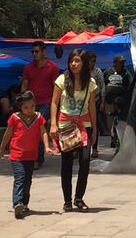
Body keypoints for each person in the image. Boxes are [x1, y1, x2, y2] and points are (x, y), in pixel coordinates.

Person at [50, 48, 97, 213]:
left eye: (77, 61)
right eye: (72, 60)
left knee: (85, 161)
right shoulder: (62, 80)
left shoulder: (90, 83)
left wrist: (95, 128)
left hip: (85, 126)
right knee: (67, 164)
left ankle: (79, 198)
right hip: (65, 126)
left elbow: (92, 106)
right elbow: (54, 102)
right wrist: (53, 124)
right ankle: (67, 200)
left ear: (84, 63)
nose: (74, 64)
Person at [0, 90, 53, 219]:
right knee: (20, 178)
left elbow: (43, 133)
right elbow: (8, 134)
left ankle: (24, 203)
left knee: (28, 180)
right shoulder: (14, 118)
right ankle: (17, 203)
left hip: (31, 155)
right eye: (26, 107)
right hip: (17, 154)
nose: (30, 110)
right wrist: (2, 148)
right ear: (20, 107)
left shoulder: (39, 117)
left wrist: (46, 147)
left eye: (32, 106)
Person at [22, 41, 60, 168]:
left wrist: (56, 102)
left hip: (46, 103)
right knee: (30, 129)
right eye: (32, 52)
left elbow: (56, 86)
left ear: (44, 52)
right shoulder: (28, 68)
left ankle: (36, 159)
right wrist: (21, 101)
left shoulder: (52, 67)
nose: (34, 54)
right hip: (30, 104)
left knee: (38, 127)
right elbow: (25, 85)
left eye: (36, 51)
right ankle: (33, 156)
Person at [103, 55, 132, 148]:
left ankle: (118, 140)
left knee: (119, 122)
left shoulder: (126, 73)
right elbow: (103, 85)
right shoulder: (108, 72)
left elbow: (130, 86)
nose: (122, 64)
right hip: (109, 102)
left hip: (121, 102)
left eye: (123, 62)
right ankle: (112, 137)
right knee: (110, 123)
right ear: (115, 63)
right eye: (120, 62)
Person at [84, 51, 104, 157]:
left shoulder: (98, 71)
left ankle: (95, 148)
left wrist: (102, 102)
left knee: (94, 125)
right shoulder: (83, 72)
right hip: (83, 102)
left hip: (95, 101)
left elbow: (102, 87)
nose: (93, 63)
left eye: (94, 61)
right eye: (91, 61)